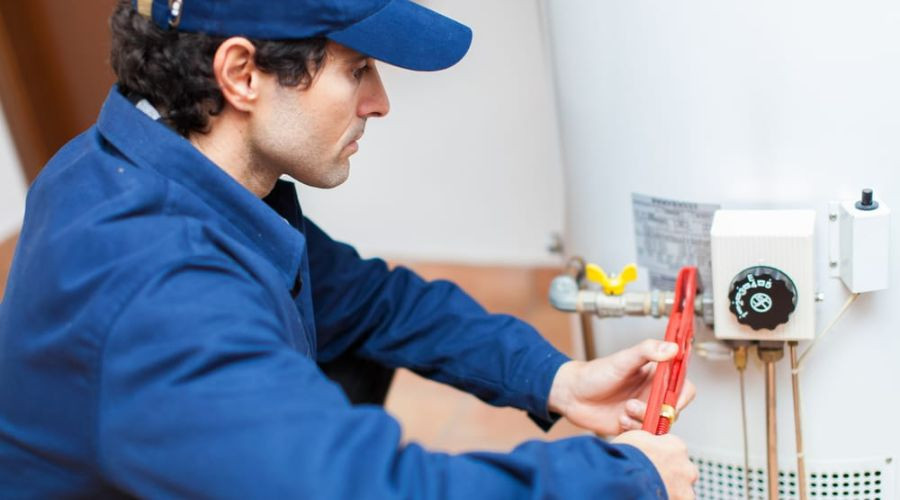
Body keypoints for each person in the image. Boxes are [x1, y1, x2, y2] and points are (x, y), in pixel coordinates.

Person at [0, 0, 699, 497]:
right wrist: (624, 480)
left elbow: (371, 302)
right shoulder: (162, 292)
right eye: (356, 68)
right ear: (242, 74)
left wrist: (555, 379)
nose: (379, 101)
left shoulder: (144, 160)